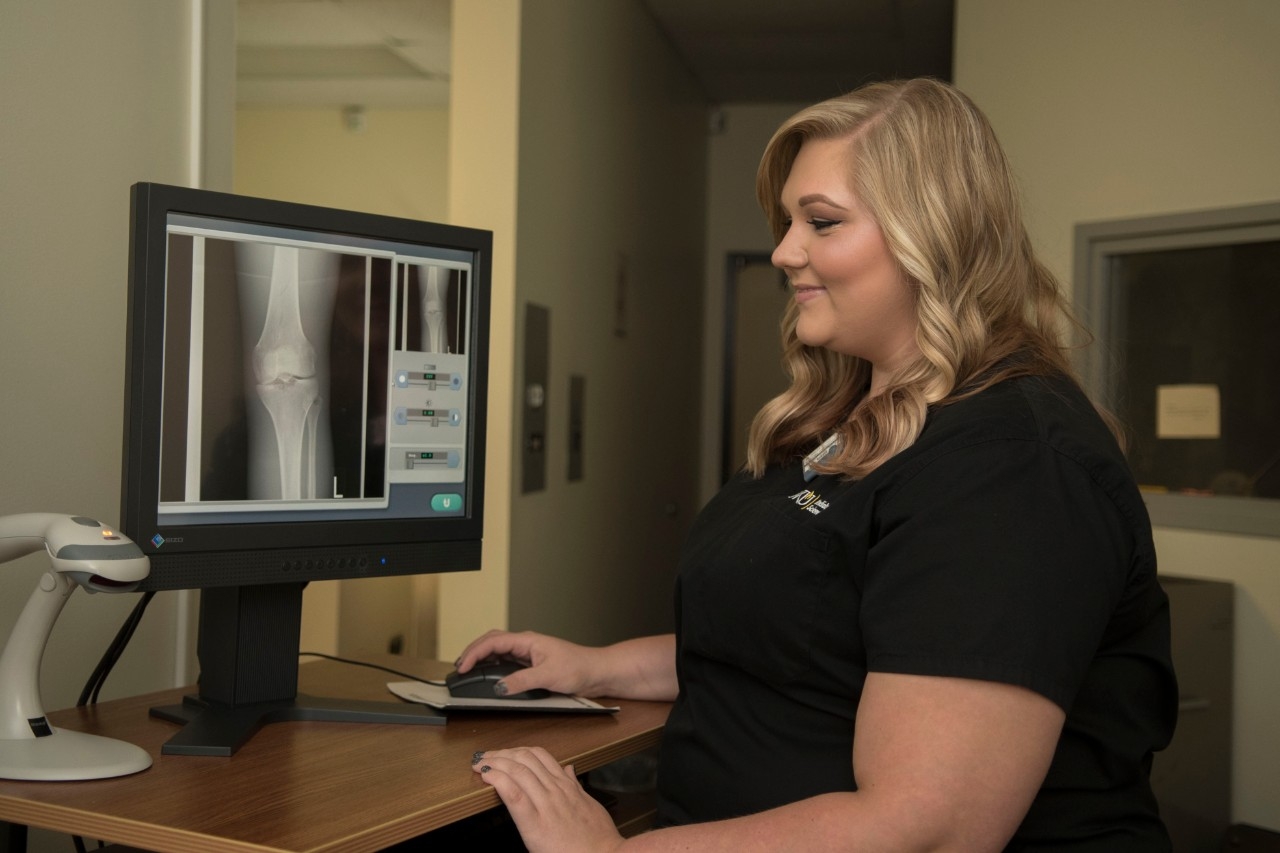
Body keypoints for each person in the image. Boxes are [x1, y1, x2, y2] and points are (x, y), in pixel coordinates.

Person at [456, 77, 1177, 852]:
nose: (783, 250)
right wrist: (594, 668)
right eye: (789, 220)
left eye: (821, 222)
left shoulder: (1009, 464)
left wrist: (610, 852)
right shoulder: (843, 420)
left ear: (931, 235)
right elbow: (792, 640)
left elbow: (930, 827)